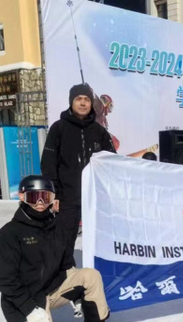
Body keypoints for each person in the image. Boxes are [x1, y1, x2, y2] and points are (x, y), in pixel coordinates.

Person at [0, 175, 125, 322]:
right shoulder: (8, 234)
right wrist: (30, 310)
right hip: (24, 301)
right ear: (22, 197)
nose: (39, 203)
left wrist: (79, 294)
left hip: (51, 289)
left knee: (90, 276)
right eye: (33, 197)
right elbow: (5, 281)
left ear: (52, 198)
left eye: (44, 197)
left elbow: (65, 265)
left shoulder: (57, 228)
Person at [41, 83, 116, 264]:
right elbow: (48, 163)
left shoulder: (100, 132)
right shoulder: (59, 128)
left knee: (101, 239)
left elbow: (112, 162)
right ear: (71, 102)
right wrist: (54, 193)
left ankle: (98, 276)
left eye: (87, 100)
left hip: (95, 197)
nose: (83, 103)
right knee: (64, 241)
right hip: (67, 197)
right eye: (78, 99)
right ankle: (64, 278)